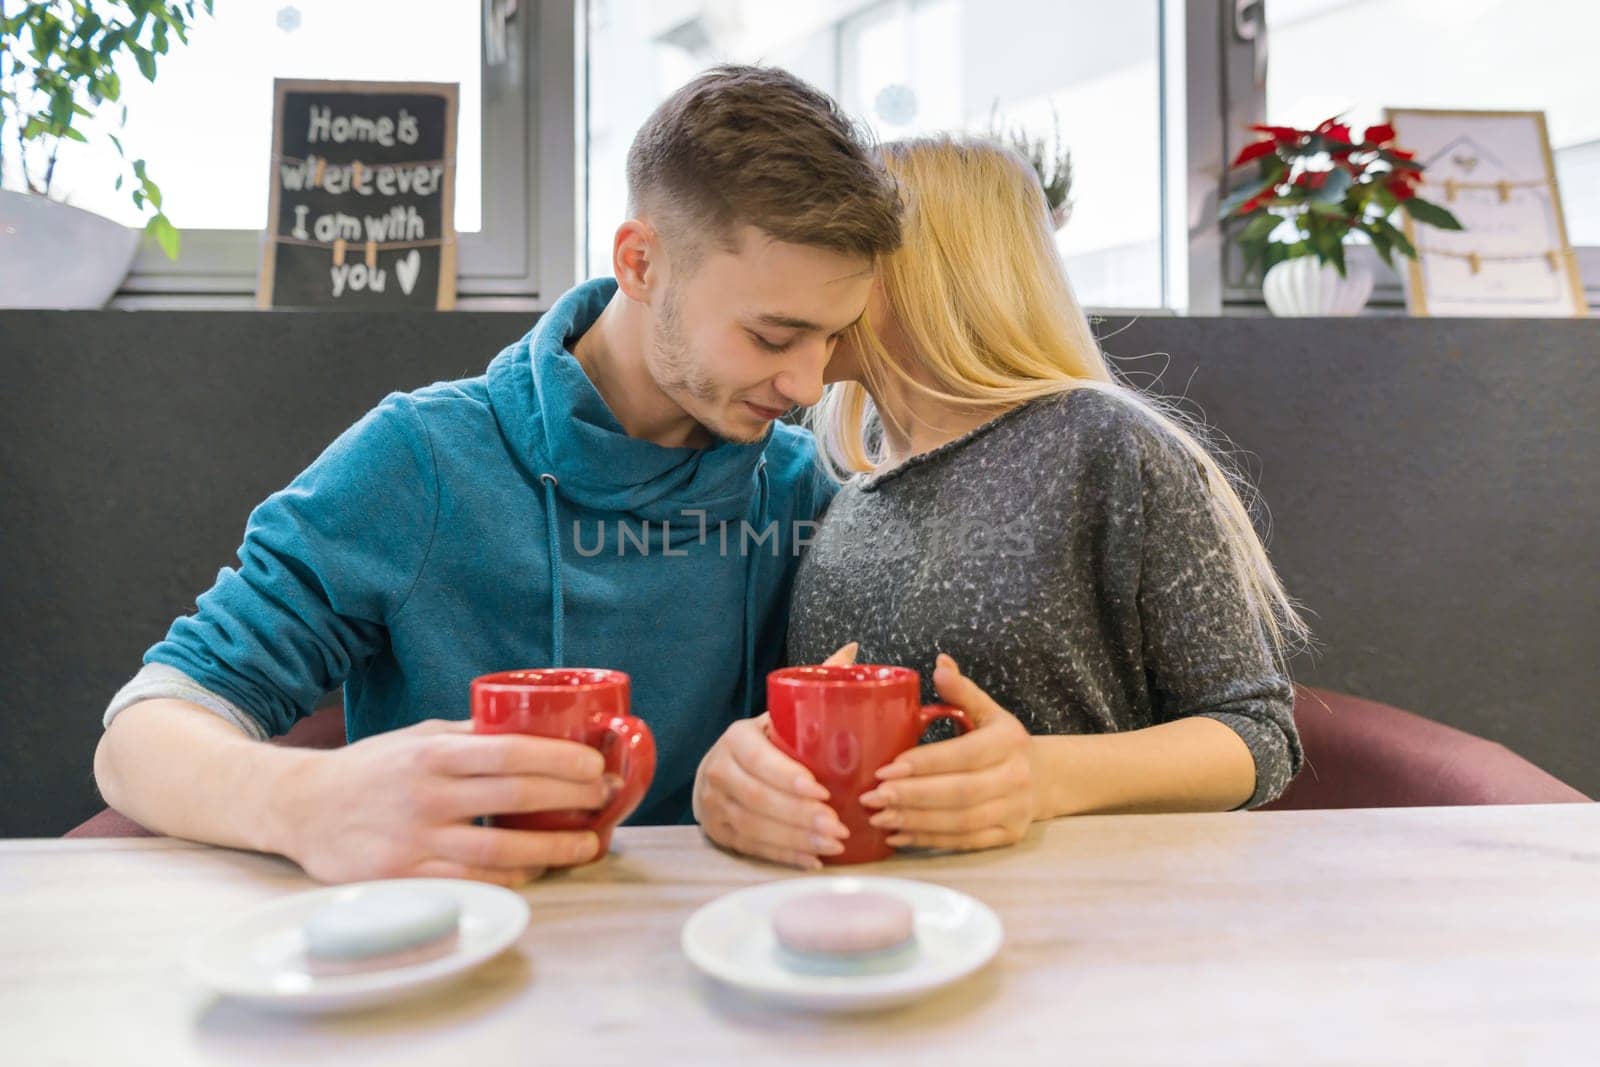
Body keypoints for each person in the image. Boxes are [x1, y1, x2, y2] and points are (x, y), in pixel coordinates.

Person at [92, 65, 901, 886]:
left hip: (719, 957)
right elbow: (145, 730)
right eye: (771, 337)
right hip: (462, 949)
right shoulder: (423, 460)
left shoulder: (800, 489)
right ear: (642, 264)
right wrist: (305, 799)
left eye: (831, 340)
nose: (807, 384)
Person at [692, 135, 1307, 869]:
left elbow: (1258, 732)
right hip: (880, 918)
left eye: (843, 247)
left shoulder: (1104, 445)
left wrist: (1042, 776)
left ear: (928, 267)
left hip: (1081, 916)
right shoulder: (846, 496)